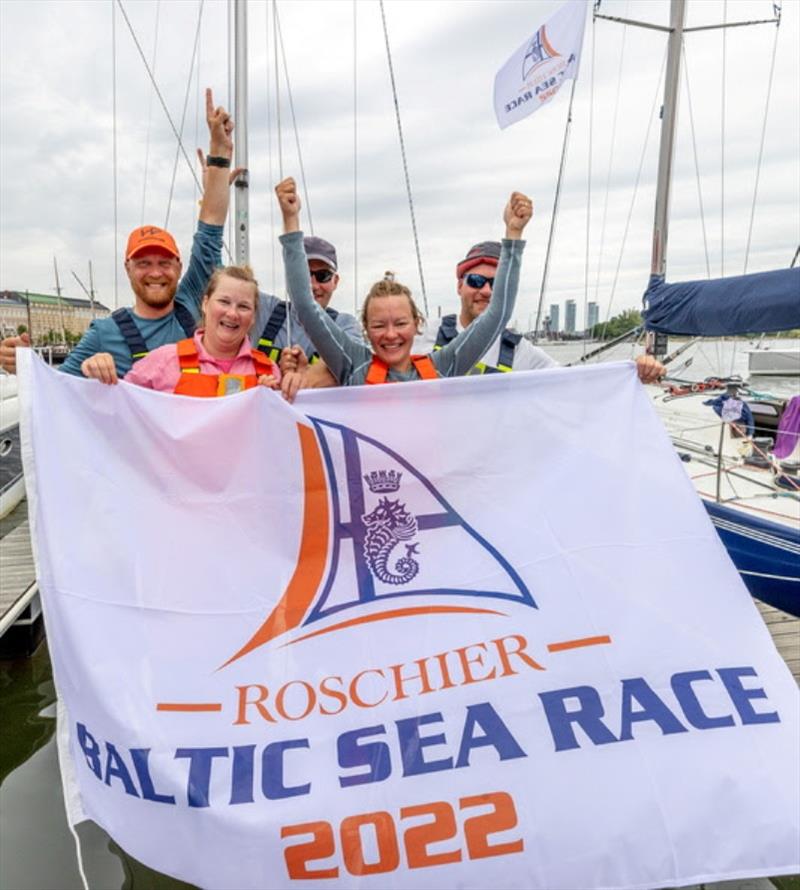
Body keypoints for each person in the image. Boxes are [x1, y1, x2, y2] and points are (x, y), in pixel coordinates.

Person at [0, 88, 236, 380]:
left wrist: (220, 153)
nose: (155, 272)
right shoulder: (104, 334)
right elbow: (55, 388)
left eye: (164, 262)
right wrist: (21, 365)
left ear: (179, 267)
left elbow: (210, 227)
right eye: (143, 263)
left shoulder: (191, 304)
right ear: (128, 268)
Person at [274, 176, 532, 385]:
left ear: (417, 324)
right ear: (365, 328)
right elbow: (306, 307)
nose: (390, 334)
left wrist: (513, 235)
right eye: (378, 325)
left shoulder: (443, 366)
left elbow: (497, 314)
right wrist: (291, 220)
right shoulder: (352, 363)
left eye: (400, 323)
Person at [415, 240, 665, 383]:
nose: (486, 291)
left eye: (496, 285)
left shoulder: (518, 351)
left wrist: (633, 372)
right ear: (460, 286)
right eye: (476, 281)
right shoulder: (423, 333)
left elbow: (574, 383)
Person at [120, 266, 280, 397]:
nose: (232, 313)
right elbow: (119, 403)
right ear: (205, 304)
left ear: (253, 317)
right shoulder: (163, 361)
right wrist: (100, 369)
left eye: (243, 306)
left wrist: (272, 402)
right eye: (224, 302)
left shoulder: (269, 371)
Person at [252, 234, 362, 366]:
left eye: (323, 276)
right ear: (289, 278)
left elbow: (354, 364)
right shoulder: (263, 310)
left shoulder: (345, 325)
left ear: (335, 281)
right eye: (304, 275)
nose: (313, 286)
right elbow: (222, 284)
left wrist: (305, 373)